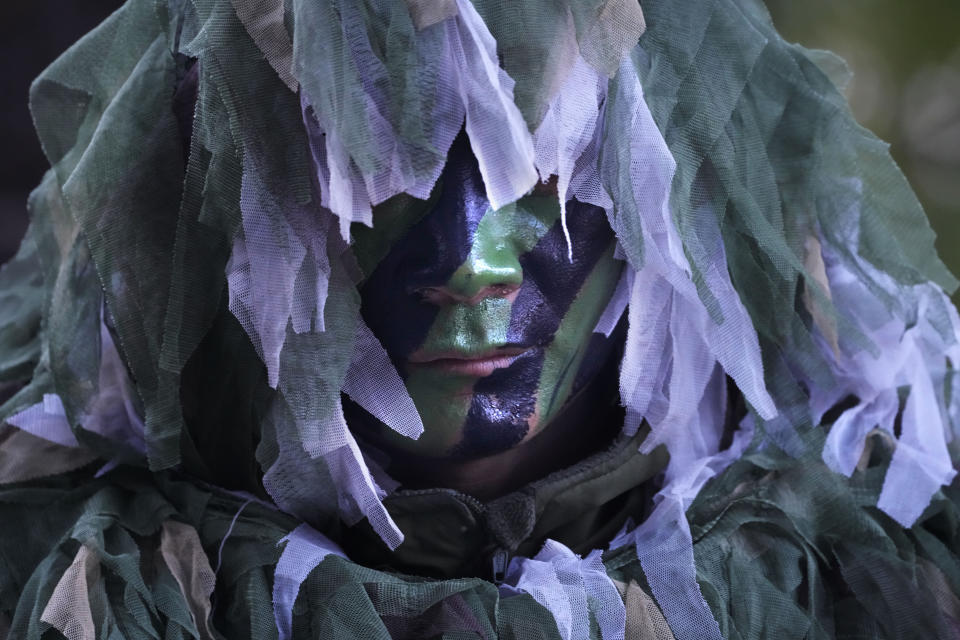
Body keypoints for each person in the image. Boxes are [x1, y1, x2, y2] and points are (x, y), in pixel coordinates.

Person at [1, 0, 959, 638]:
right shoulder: (101, 585)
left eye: (548, 168)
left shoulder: (857, 549)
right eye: (379, 173)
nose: (473, 263)